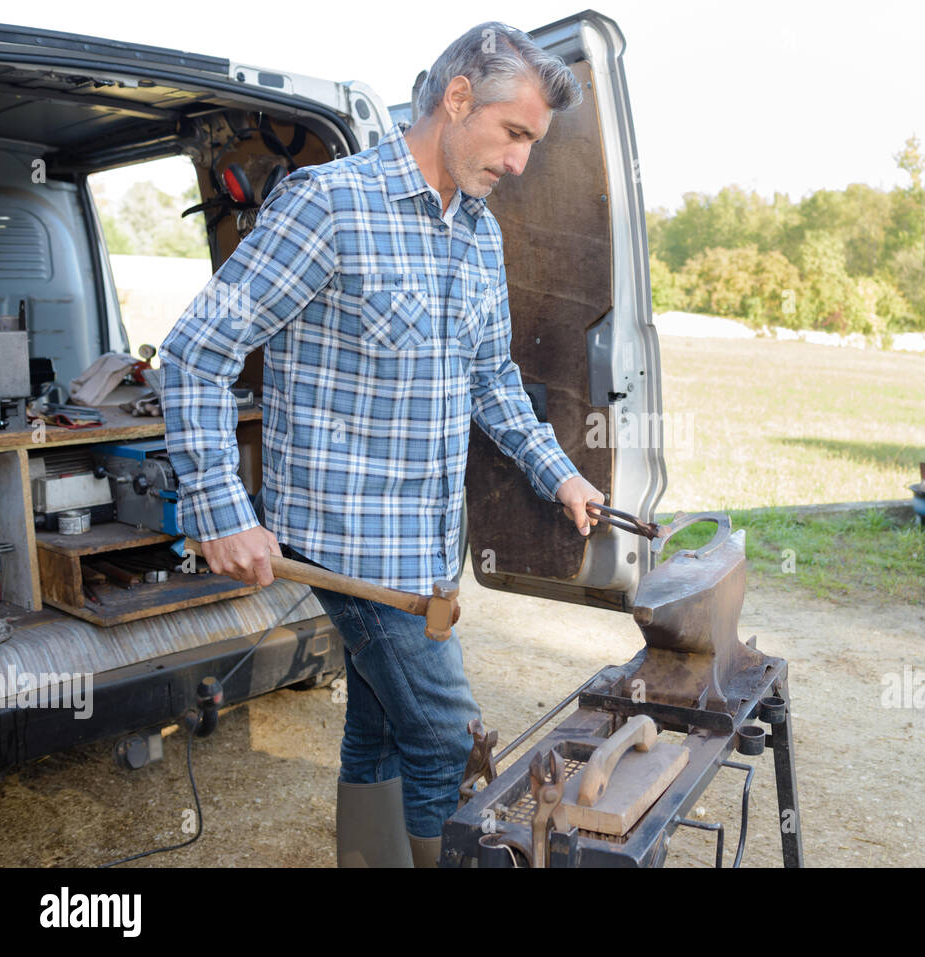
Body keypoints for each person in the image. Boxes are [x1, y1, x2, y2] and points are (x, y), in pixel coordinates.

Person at [159, 21, 602, 868]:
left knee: (382, 729)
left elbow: (492, 381)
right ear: (458, 96)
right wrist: (219, 506)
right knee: (447, 739)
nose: (521, 163)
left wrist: (562, 476)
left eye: (533, 145)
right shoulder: (328, 204)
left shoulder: (478, 232)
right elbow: (195, 351)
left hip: (428, 548)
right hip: (349, 550)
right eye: (515, 134)